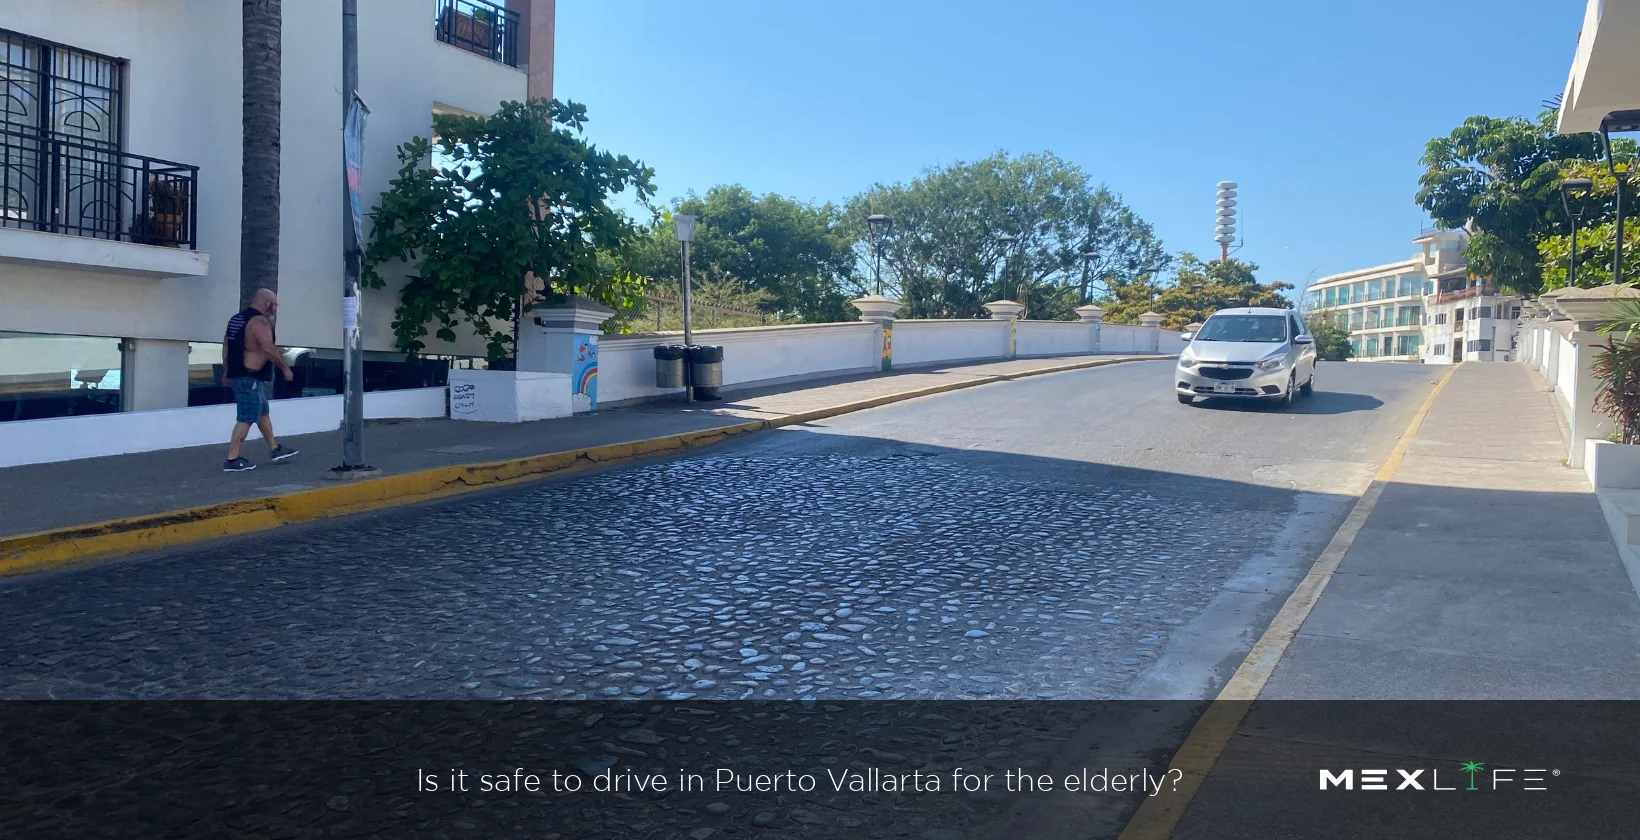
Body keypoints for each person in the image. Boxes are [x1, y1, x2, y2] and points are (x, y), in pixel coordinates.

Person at [221, 288, 298, 472]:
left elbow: (226, 346)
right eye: (274, 304)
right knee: (247, 417)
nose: (275, 308)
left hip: (239, 374)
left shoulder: (236, 319)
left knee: (262, 411)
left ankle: (275, 448)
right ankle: (232, 459)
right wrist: (285, 368)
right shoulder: (260, 322)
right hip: (249, 377)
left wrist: (226, 370)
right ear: (266, 303)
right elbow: (268, 348)